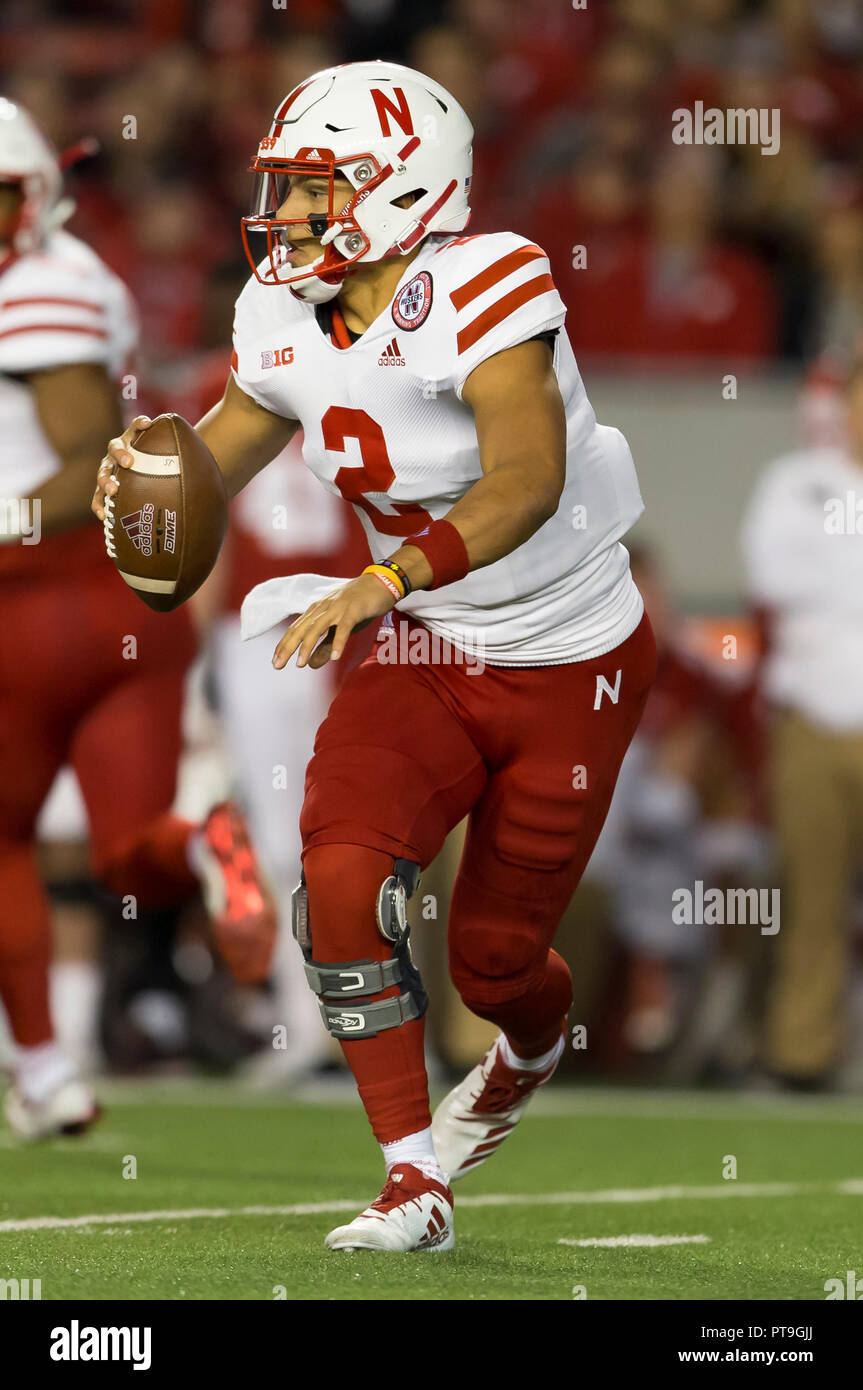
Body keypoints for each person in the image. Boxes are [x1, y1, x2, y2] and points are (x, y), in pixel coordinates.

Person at [95, 61, 655, 1252]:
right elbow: (225, 451)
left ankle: (529, 1049)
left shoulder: (488, 278)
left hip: (567, 653)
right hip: (419, 641)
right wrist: (145, 486)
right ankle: (413, 1177)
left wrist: (383, 575)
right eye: (286, 190)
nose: (287, 215)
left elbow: (525, 477)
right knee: (341, 885)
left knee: (495, 966)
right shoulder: (280, 315)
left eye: (314, 190)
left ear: (403, 189)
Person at [0, 99, 275, 1139]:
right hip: (125, 606)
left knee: (6, 839)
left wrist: (7, 512)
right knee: (123, 856)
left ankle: (39, 1064)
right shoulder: (76, 276)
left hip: (38, 590)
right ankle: (202, 845)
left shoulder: (44, 288)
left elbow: (79, 463)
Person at [741, 357, 863, 1088]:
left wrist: (834, 568)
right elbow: (770, 573)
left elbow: (812, 578)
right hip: (812, 716)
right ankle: (799, 1057)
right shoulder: (796, 478)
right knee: (809, 895)